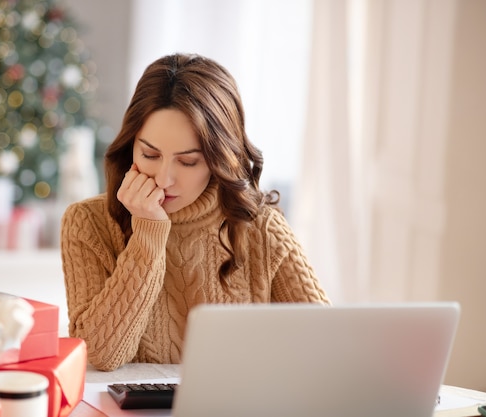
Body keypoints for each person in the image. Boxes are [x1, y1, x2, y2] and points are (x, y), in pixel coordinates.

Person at [60, 53, 330, 372]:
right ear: (130, 144)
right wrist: (147, 235)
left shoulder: (262, 227)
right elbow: (102, 355)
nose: (164, 179)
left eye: (188, 161)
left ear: (220, 158)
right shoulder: (87, 223)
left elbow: (326, 347)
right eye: (149, 154)